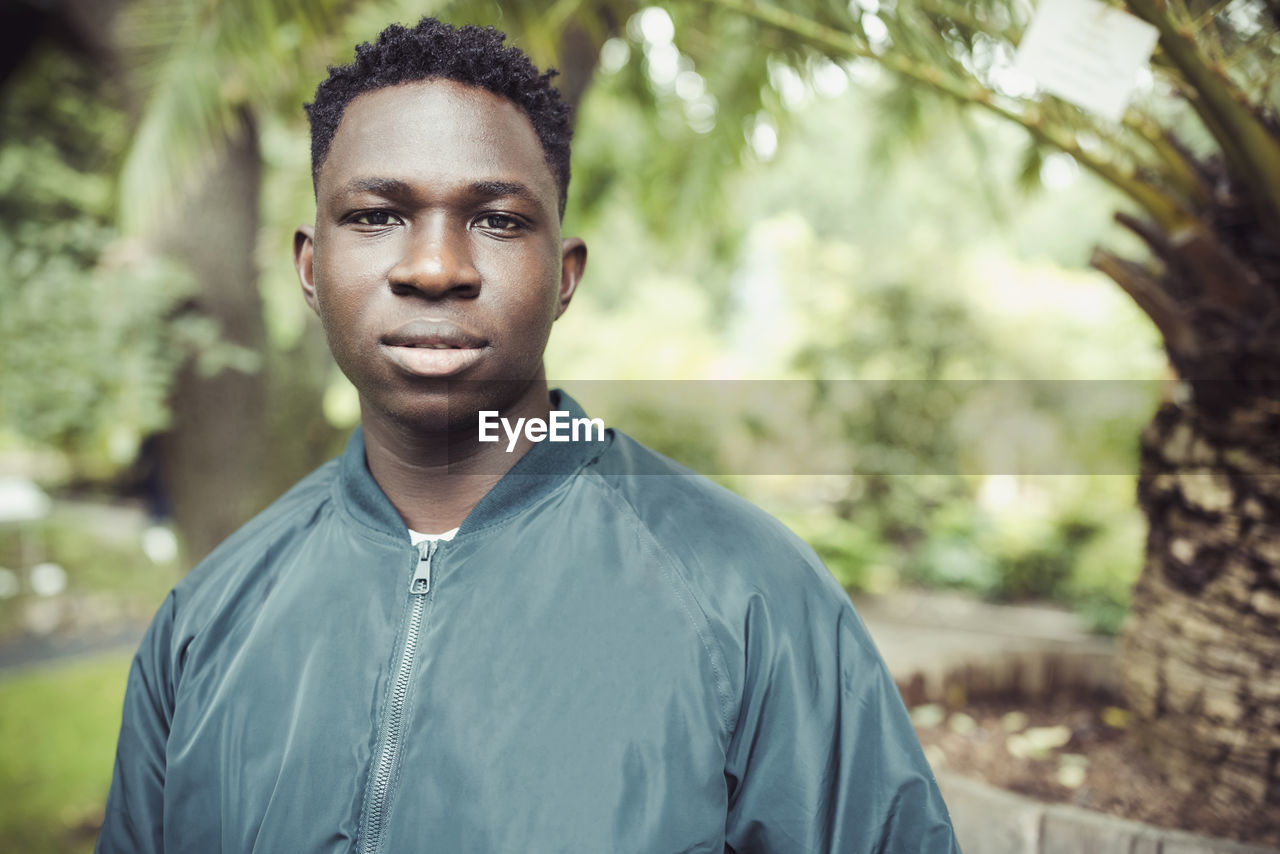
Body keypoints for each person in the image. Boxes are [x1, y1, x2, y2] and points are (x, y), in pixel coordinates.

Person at [97, 17, 958, 853]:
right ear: (311, 269)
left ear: (564, 276)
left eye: (498, 220)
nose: (435, 268)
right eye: (375, 216)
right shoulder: (203, 623)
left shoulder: (750, 599)